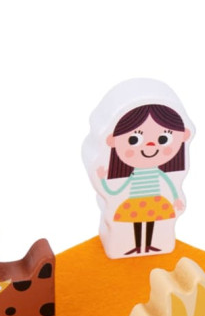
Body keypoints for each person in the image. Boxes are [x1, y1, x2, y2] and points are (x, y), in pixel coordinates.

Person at [83, 79, 195, 259]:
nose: (150, 146)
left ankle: (149, 245)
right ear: (111, 140)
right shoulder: (130, 174)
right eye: (134, 140)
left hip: (155, 202)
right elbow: (115, 190)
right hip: (134, 203)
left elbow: (170, 185)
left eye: (163, 139)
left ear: (184, 136)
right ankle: (136, 246)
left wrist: (176, 199)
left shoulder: (161, 172)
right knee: (136, 224)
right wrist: (103, 178)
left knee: (151, 223)